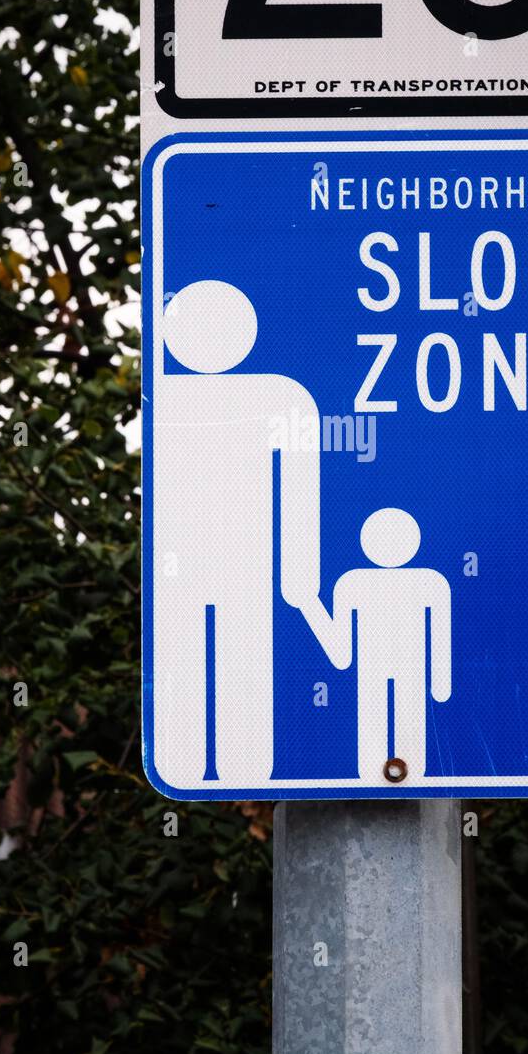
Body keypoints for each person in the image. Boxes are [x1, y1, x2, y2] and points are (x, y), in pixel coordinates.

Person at [154, 280, 321, 787]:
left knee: (236, 656)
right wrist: (300, 578)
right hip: (205, 564)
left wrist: (300, 576)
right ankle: (215, 762)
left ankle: (236, 763)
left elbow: (299, 489)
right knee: (215, 655)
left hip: (225, 564)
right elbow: (300, 492)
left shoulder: (277, 397)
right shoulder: (278, 394)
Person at [303, 508, 452, 784]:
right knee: (373, 749)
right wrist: (308, 605)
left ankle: (402, 771)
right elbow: (341, 654)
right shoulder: (353, 583)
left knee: (407, 735)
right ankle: (381, 771)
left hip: (406, 673)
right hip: (377, 673)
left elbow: (341, 656)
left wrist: (442, 685)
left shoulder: (430, 583)